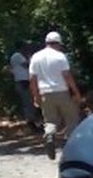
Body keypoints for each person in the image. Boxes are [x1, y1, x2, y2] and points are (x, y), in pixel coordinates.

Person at [28, 31, 82, 159]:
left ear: (46, 42)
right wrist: (75, 92)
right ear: (58, 43)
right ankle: (71, 145)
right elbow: (67, 76)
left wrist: (35, 95)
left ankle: (50, 135)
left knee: (50, 120)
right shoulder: (60, 56)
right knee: (71, 118)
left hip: (45, 93)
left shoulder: (36, 57)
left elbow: (32, 79)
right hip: (61, 92)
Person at [8, 41, 41, 132]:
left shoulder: (17, 56)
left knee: (29, 102)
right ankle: (31, 123)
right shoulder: (17, 56)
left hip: (23, 81)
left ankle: (32, 121)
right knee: (28, 102)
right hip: (23, 82)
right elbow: (27, 65)